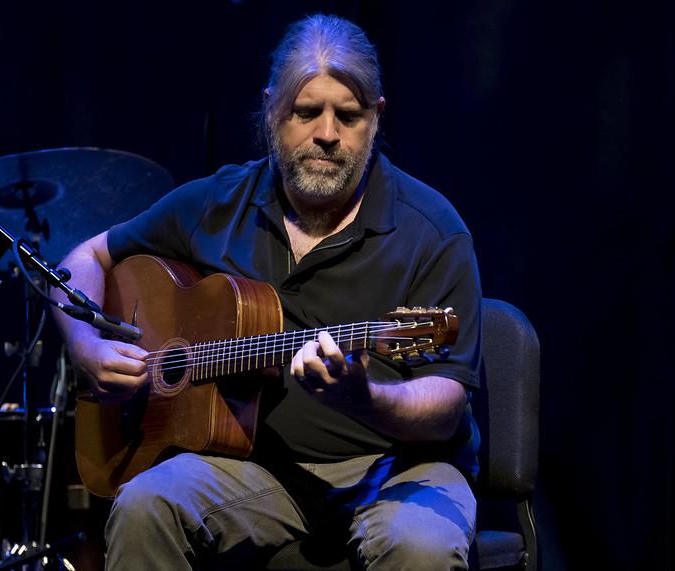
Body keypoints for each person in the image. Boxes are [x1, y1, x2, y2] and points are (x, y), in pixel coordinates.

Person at [54, 14, 482, 571]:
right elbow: (80, 260)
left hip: (398, 466)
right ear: (271, 114)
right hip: (261, 469)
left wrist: (365, 398)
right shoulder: (217, 202)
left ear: (375, 118)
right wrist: (86, 347)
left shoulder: (432, 230)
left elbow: (447, 404)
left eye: (348, 117)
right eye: (306, 113)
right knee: (146, 504)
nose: (326, 134)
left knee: (421, 548)